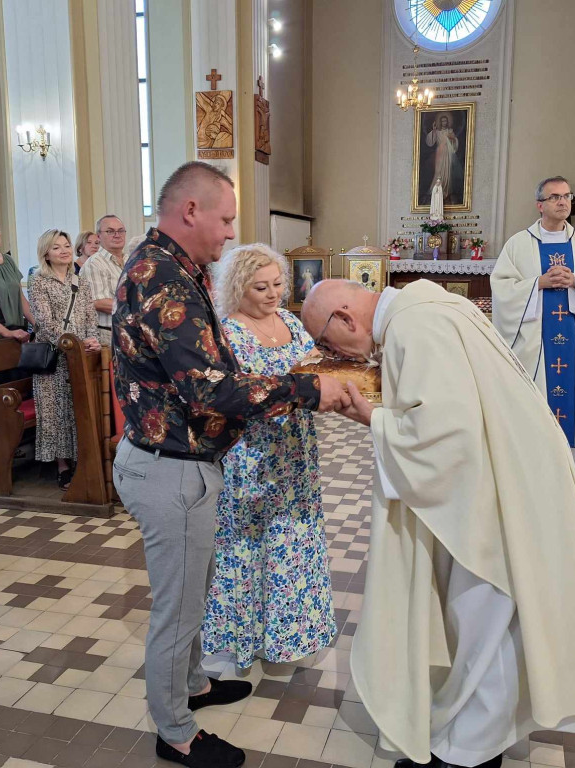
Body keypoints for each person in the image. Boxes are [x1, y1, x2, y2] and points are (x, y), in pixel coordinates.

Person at [300, 278, 575, 768]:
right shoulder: (428, 305)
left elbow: (447, 435)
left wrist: (373, 420)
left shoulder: (415, 324)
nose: (331, 352)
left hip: (496, 490)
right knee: (492, 617)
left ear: (344, 316)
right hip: (510, 474)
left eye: (325, 341)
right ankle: (468, 737)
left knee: (485, 618)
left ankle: (470, 751)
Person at [111, 161, 349, 768]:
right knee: (179, 608)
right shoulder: (163, 279)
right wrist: (306, 391)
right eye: (224, 219)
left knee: (194, 592)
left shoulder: (172, 268)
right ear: (190, 210)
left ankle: (196, 685)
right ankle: (176, 732)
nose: (227, 232)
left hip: (183, 460)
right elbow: (210, 389)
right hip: (171, 467)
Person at [203, 244, 336, 669]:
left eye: (278, 283)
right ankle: (245, 637)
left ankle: (289, 635)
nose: (273, 293)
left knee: (293, 538)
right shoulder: (227, 333)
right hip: (252, 454)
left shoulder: (291, 322)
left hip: (294, 450)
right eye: (260, 287)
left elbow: (315, 367)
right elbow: (229, 396)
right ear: (237, 288)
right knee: (249, 543)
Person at [491, 177, 575, 478]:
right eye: (555, 197)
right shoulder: (519, 244)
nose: (563, 202)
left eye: (567, 196)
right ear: (540, 205)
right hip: (534, 346)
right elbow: (502, 288)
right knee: (533, 409)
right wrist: (539, 284)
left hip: (570, 346)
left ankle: (569, 480)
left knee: (567, 410)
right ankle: (529, 476)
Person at [28, 230, 100, 490]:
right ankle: (62, 466)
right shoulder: (38, 282)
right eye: (56, 247)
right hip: (54, 356)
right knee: (55, 412)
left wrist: (90, 340)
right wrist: (72, 342)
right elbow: (44, 322)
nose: (64, 250)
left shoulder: (81, 282)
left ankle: (83, 461)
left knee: (75, 408)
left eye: (67, 246)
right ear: (46, 253)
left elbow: (90, 316)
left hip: (79, 356)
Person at [79, 214, 128, 344]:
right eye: (110, 231)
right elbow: (98, 302)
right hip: (108, 333)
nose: (117, 235)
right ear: (99, 236)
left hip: (129, 330)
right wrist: (135, 308)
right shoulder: (94, 263)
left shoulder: (130, 260)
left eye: (121, 230)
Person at [426, 114, 458, 200]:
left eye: (445, 121)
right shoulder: (437, 132)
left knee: (447, 171)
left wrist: (452, 138)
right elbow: (431, 141)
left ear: (447, 122)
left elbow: (455, 142)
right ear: (440, 122)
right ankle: (435, 190)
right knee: (439, 170)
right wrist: (433, 130)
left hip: (447, 153)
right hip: (440, 152)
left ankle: (445, 190)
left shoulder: (450, 131)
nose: (444, 122)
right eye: (443, 121)